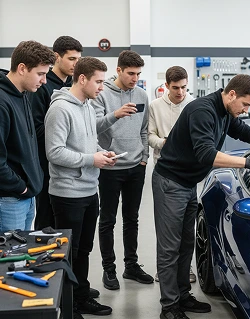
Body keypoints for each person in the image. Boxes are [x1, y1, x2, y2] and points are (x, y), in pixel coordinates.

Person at [152, 74, 250, 319]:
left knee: (186, 244)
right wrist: (247, 162)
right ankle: (169, 307)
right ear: (232, 94)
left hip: (187, 182)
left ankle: (183, 296)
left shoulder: (225, 111)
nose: (245, 110)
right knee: (170, 248)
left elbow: (243, 131)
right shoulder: (202, 111)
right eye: (245, 105)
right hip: (170, 183)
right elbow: (206, 154)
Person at [45, 57, 114, 318]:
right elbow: (54, 152)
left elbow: (88, 143)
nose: (101, 88)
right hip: (67, 194)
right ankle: (69, 306)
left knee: (84, 250)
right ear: (82, 79)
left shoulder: (87, 105)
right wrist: (90, 159)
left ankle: (81, 296)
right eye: (98, 82)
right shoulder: (60, 109)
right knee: (68, 254)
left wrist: (101, 153)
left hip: (89, 190)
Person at [91, 50, 153, 290]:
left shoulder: (141, 95)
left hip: (136, 167)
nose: (134, 78)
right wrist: (115, 114)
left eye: (138, 73)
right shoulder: (101, 93)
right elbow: (94, 126)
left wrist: (144, 157)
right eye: (130, 73)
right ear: (118, 70)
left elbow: (145, 129)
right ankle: (109, 269)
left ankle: (131, 266)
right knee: (107, 220)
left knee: (132, 219)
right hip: (110, 167)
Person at [0, 40, 55, 232]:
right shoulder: (2, 102)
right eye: (40, 74)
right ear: (22, 68)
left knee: (23, 258)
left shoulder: (23, 94)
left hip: (27, 196)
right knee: (9, 260)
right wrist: (20, 186)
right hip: (9, 200)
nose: (44, 81)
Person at [148, 66, 196, 283]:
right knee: (167, 232)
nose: (180, 92)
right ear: (166, 86)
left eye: (184, 87)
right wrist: (164, 143)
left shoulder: (194, 105)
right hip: (165, 175)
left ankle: (185, 271)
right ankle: (165, 271)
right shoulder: (155, 106)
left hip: (188, 174)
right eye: (175, 88)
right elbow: (149, 135)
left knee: (187, 234)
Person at [29, 36, 83, 231]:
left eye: (78, 59)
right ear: (56, 57)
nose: (76, 64)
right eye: (71, 59)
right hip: (45, 164)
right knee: (46, 220)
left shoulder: (72, 85)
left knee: (65, 224)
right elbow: (36, 128)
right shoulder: (42, 86)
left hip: (67, 165)